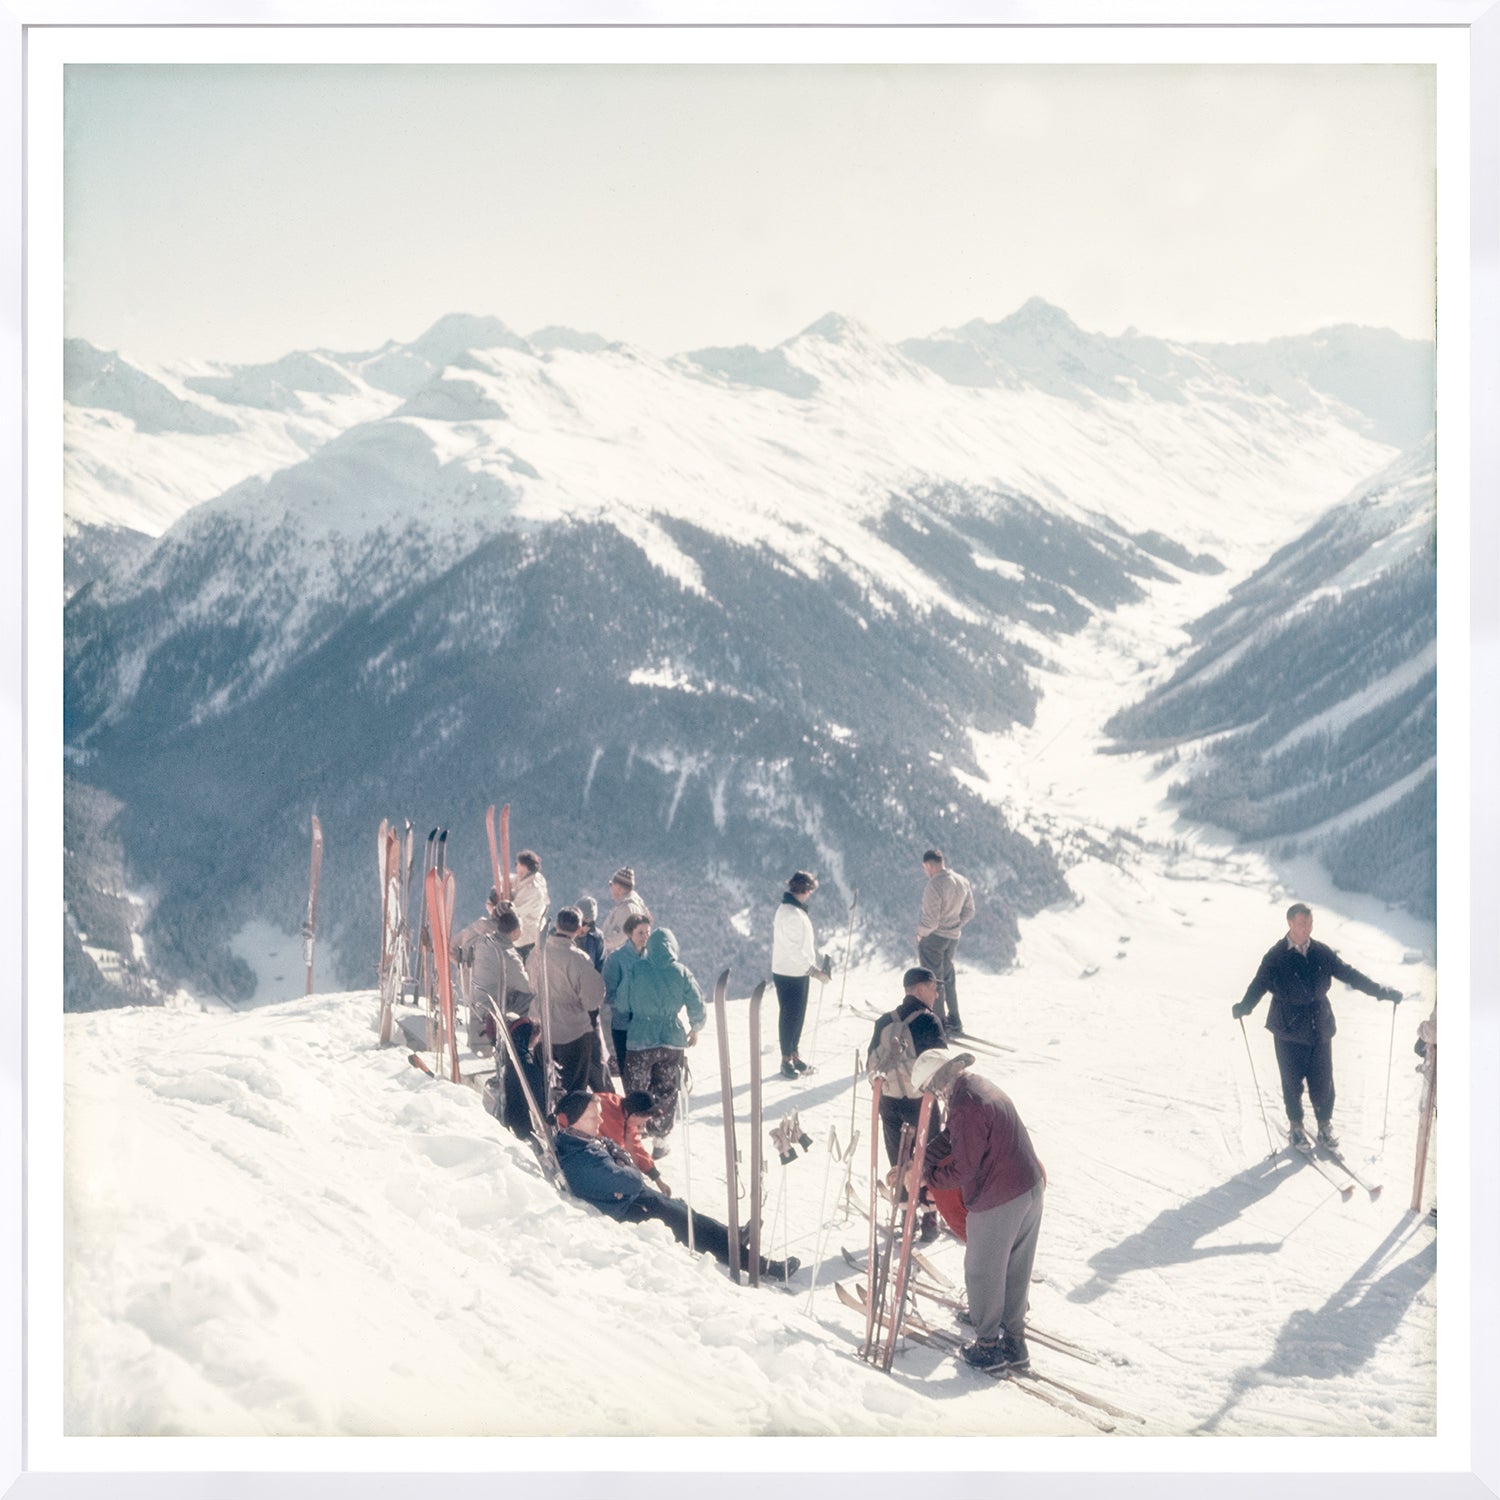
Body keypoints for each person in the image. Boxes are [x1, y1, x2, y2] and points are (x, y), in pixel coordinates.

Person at [553, 1088, 799, 1280]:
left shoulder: (585, 1140)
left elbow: (623, 1152)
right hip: (634, 1208)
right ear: (573, 1120)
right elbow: (632, 1178)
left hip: (638, 1198)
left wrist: (632, 1164)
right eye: (592, 1118)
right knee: (693, 1230)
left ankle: (731, 1237)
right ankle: (761, 1266)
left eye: (598, 1116)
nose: (598, 1122)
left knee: (688, 1214)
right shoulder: (583, 1159)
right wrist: (626, 1164)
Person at [1232, 903, 1402, 1151]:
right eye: (1303, 924)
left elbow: (1349, 974)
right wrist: (1245, 1006)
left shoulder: (1321, 952)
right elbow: (1259, 984)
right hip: (1288, 1029)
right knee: (1292, 1082)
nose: (1307, 929)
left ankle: (1324, 1126)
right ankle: (1297, 1126)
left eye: (1310, 923)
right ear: (1290, 923)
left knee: (1323, 1081)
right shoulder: (1276, 957)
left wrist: (1380, 992)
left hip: (1320, 1026)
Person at [916, 1048, 1045, 1373]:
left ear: (938, 1079)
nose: (933, 1095)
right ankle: (1014, 1341)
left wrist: (929, 1176)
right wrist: (926, 1156)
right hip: (1028, 1187)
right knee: (1015, 1266)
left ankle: (988, 1346)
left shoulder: (965, 1104)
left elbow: (964, 1167)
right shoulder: (975, 1088)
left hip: (1000, 1194)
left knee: (982, 1269)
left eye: (930, 1088)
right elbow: (954, 1138)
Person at [866, 966, 949, 1243]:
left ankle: (905, 1216)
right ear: (920, 988)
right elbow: (941, 1066)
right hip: (920, 1102)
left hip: (889, 1103)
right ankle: (930, 1217)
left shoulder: (883, 1022)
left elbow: (870, 1066)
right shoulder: (929, 1021)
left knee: (898, 1159)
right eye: (934, 987)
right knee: (928, 1157)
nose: (937, 993)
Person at [613, 926, 705, 1152]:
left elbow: (622, 1004)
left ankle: (635, 1134)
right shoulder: (681, 971)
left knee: (637, 1089)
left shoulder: (636, 969)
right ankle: (660, 1137)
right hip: (671, 1040)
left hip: (640, 1039)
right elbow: (697, 1003)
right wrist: (695, 1027)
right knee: (666, 1089)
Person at [528, 907, 607, 1095]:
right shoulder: (580, 959)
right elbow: (593, 998)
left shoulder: (538, 952)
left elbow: (531, 983)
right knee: (574, 1087)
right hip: (573, 1030)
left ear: (556, 924)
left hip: (541, 1025)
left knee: (544, 1084)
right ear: (579, 929)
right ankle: (570, 1119)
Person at [452, 891, 534, 1050]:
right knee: (530, 1000)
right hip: (492, 999)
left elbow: (452, 948)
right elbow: (526, 986)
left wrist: (464, 965)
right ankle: (524, 1044)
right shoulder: (506, 952)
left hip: (471, 987)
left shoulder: (481, 936)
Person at [771, 870, 830, 1079]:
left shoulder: (793, 910)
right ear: (804, 890)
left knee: (797, 1016)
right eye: (810, 889)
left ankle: (793, 1054)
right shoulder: (790, 914)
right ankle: (786, 1058)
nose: (811, 894)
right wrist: (814, 971)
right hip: (789, 973)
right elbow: (794, 950)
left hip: (796, 971)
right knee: (789, 1016)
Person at [917, 849, 975, 1036]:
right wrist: (956, 925)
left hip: (934, 938)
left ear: (929, 865)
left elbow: (931, 921)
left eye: (925, 868)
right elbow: (969, 911)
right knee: (948, 978)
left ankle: (938, 1023)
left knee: (934, 981)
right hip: (953, 937)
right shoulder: (962, 881)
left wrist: (920, 933)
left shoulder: (934, 885)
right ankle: (955, 1020)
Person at [601, 910, 652, 1076]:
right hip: (624, 1028)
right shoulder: (616, 959)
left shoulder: (651, 957)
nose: (645, 936)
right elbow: (608, 995)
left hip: (648, 1028)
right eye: (640, 933)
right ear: (630, 933)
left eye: (648, 932)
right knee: (629, 1077)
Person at [600, 867, 648, 956]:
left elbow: (615, 939)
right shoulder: (633, 905)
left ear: (619, 888)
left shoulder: (626, 910)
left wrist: (597, 945)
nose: (611, 889)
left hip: (620, 962)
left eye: (612, 885)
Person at [511, 850, 549, 961]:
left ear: (523, 866)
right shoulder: (536, 877)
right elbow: (514, 879)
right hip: (535, 935)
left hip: (527, 940)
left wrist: (495, 909)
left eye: (516, 864)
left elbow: (513, 911)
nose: (516, 867)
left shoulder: (531, 890)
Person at [576, 896, 606, 972]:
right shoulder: (564, 934)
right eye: (582, 923)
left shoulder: (597, 937)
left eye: (590, 924)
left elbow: (600, 966)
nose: (585, 927)